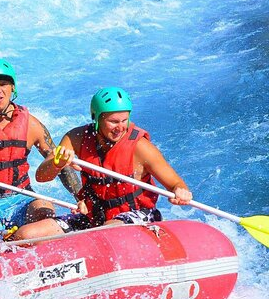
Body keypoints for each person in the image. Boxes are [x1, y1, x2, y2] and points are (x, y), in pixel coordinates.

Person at [17, 87, 193, 239]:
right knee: (26, 235)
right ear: (97, 118)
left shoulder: (141, 147)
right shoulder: (76, 138)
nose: (120, 127)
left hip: (139, 216)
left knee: (104, 233)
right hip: (94, 217)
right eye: (113, 121)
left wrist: (180, 192)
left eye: (125, 120)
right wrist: (57, 163)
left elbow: (176, 184)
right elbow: (41, 177)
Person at [0, 58, 81, 240]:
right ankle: (4, 240)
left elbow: (59, 163)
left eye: (4, 84)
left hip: (23, 197)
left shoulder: (31, 124)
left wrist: (81, 198)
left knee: (45, 211)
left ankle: (18, 238)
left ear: (12, 87)